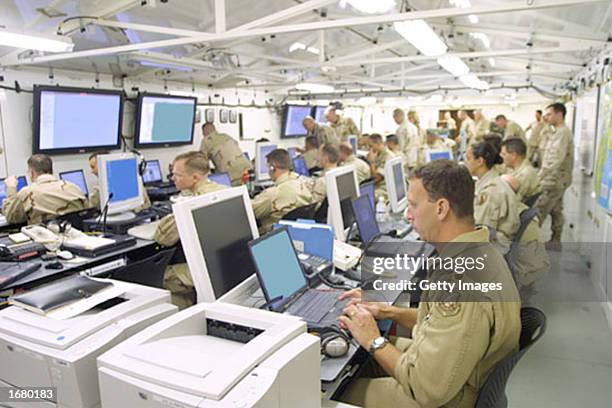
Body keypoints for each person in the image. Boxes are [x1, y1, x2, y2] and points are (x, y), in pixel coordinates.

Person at [338, 159, 521, 408]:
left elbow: (425, 388)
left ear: (441, 208)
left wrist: (373, 339)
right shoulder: (477, 251)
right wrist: (388, 311)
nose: (408, 214)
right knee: (362, 358)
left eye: (413, 205)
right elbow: (437, 322)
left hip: (445, 398)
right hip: (459, 373)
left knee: (327, 393)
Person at [153, 151, 228, 310]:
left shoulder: (193, 203)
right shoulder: (224, 189)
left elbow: (162, 237)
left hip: (206, 272)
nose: (173, 179)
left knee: (156, 275)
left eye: (177, 175)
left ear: (194, 178)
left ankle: (183, 314)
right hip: (226, 266)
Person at [2, 154, 87, 225]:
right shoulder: (74, 187)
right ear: (51, 170)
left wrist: (11, 188)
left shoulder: (28, 192)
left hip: (44, 240)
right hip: (75, 237)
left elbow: (11, 218)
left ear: (32, 173)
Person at [536, 102, 574, 247]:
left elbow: (554, 159)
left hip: (554, 179)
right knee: (556, 210)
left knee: (539, 210)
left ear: (559, 114)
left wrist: (539, 177)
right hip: (558, 179)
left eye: (549, 114)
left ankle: (528, 244)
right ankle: (556, 240)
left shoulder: (562, 133)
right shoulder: (556, 131)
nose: (546, 118)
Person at [251, 149, 314, 233]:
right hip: (296, 234)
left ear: (272, 168)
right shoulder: (303, 183)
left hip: (270, 236)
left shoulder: (273, 193)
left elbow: (249, 211)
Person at [199, 122, 252, 186]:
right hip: (248, 171)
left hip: (232, 176)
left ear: (204, 132)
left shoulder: (206, 140)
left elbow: (201, 162)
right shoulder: (225, 135)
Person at [500, 138, 539, 202]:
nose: (501, 156)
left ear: (514, 155)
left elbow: (512, 202)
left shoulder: (526, 174)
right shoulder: (513, 167)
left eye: (504, 154)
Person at [367, 133, 396, 199]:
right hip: (378, 186)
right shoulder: (378, 154)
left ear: (378, 144)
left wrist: (372, 162)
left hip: (385, 189)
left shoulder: (388, 157)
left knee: (367, 198)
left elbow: (377, 178)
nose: (369, 149)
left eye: (370, 146)